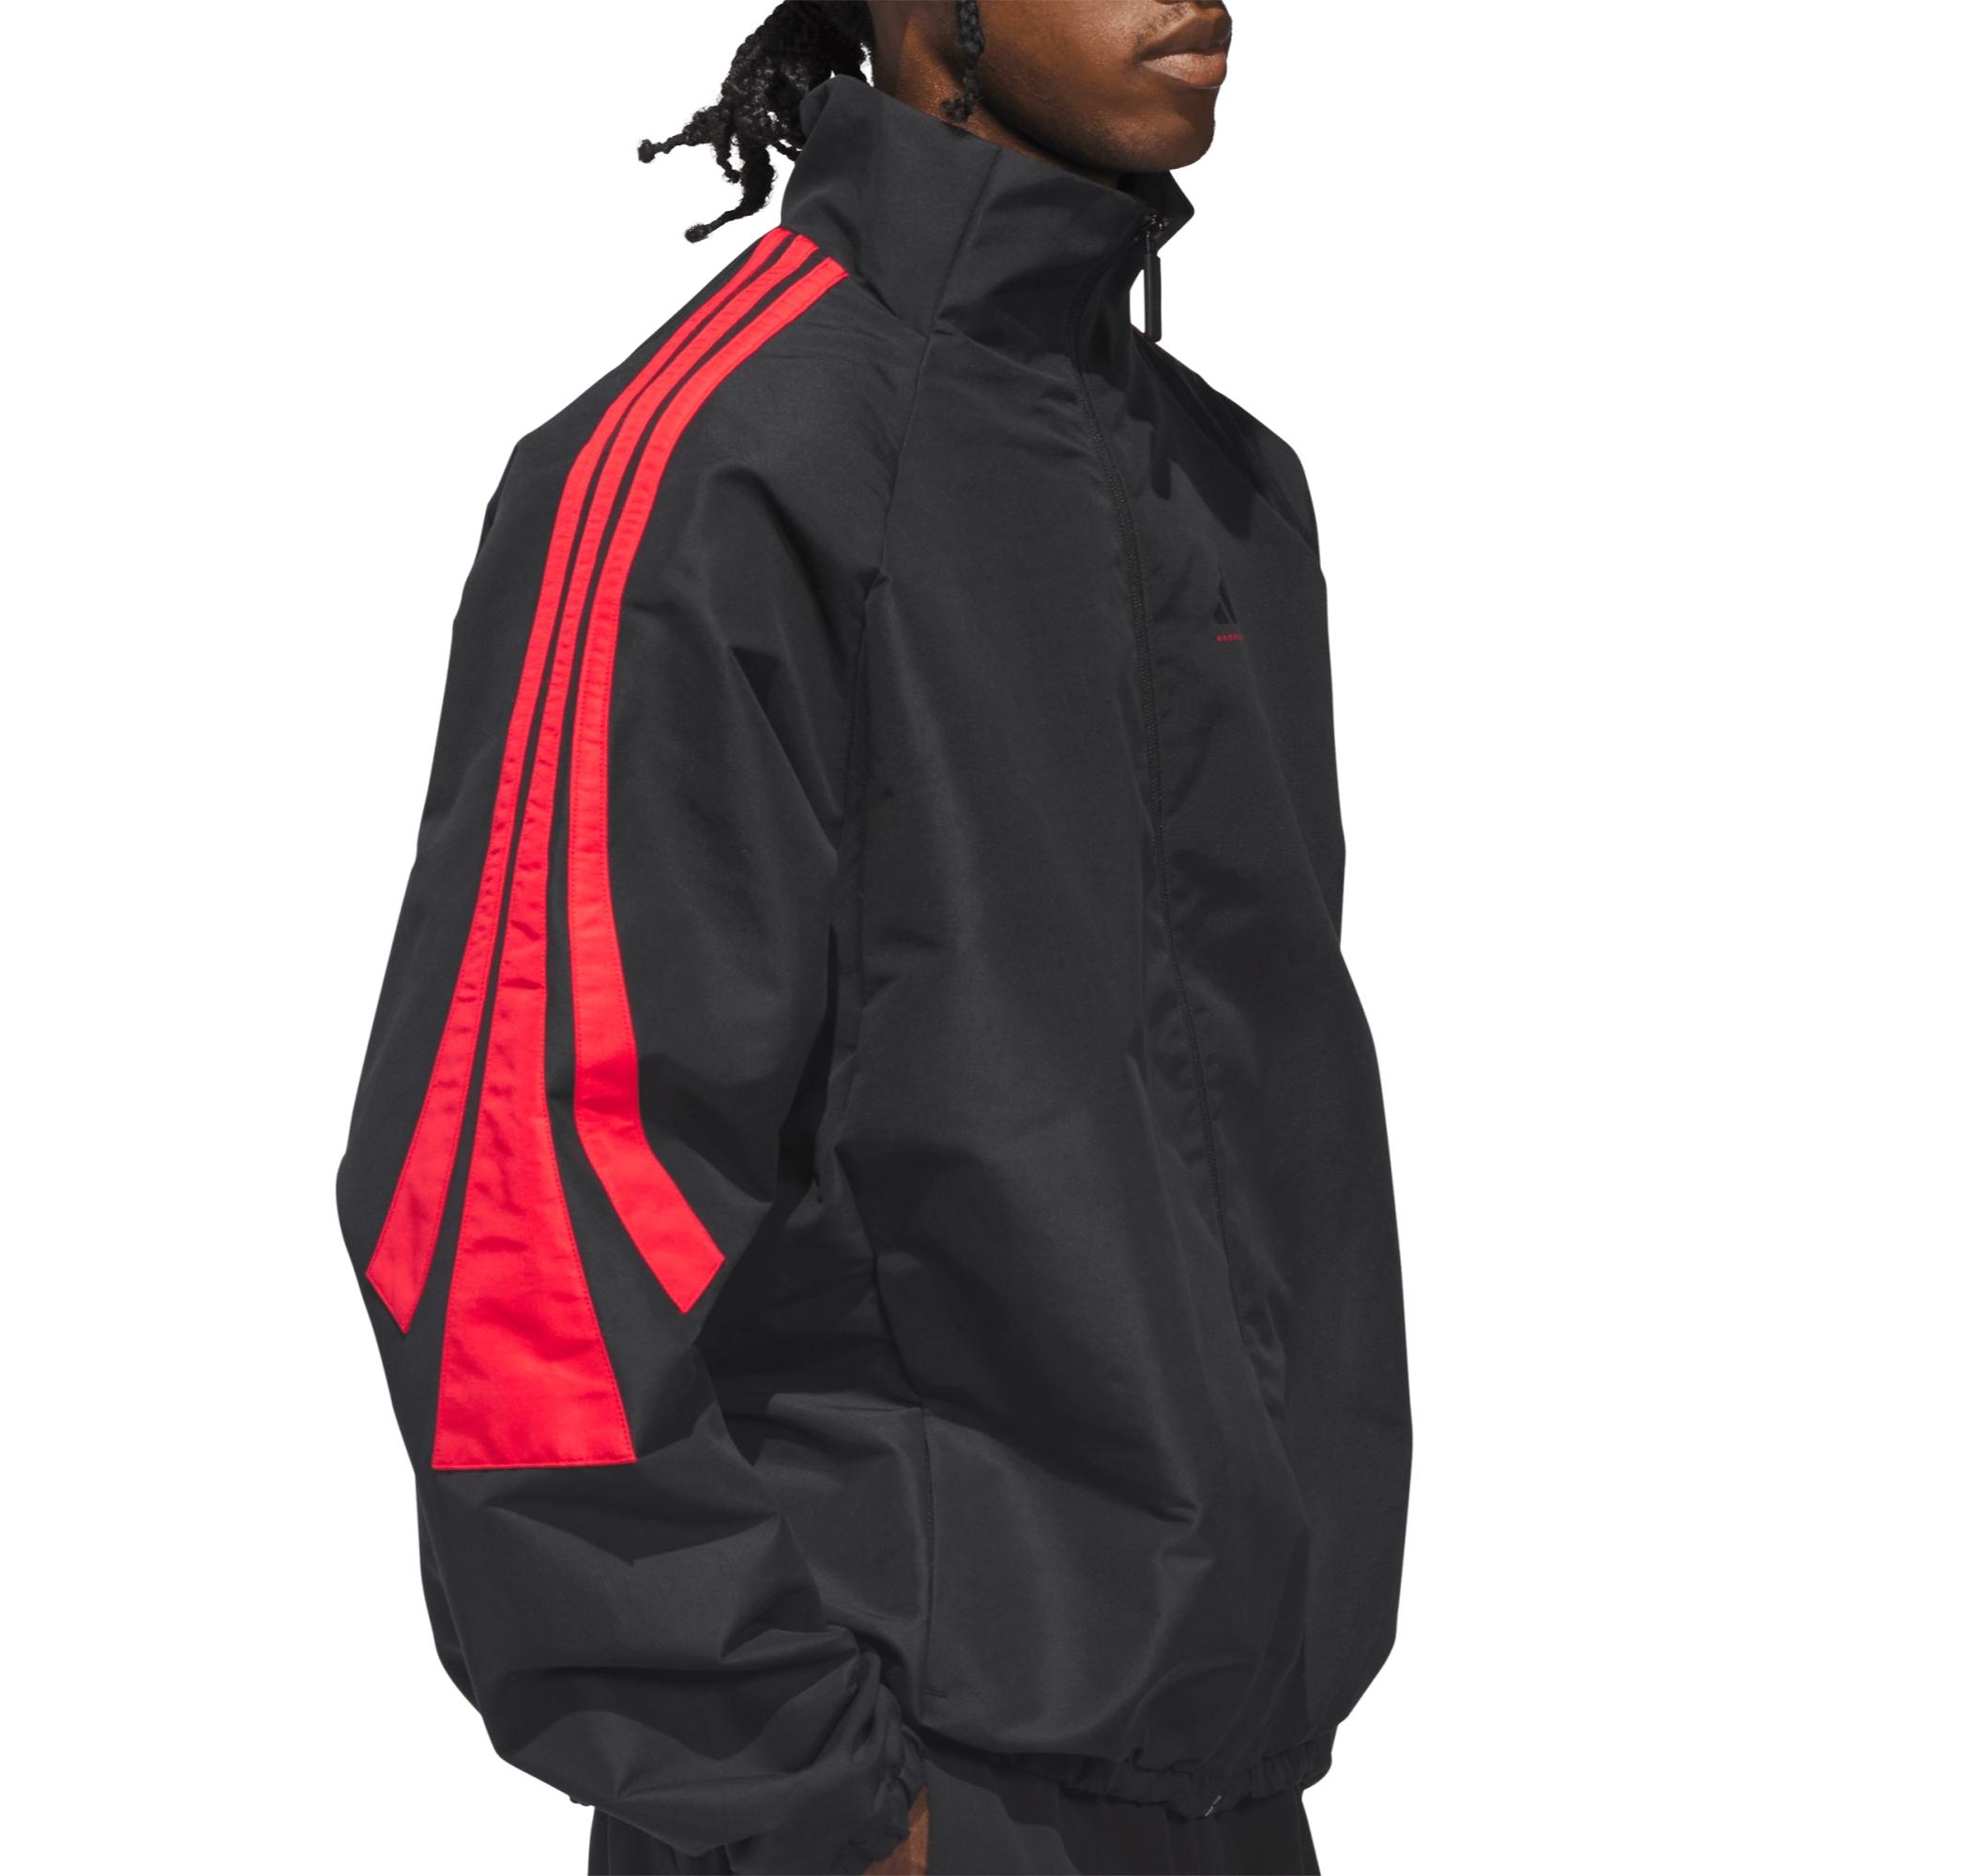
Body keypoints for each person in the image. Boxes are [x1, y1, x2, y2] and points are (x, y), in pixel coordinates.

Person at [336, 3, 1410, 1871]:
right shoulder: (708, 468)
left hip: (1227, 1785)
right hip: (885, 1794)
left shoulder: (1226, 491)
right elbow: (515, 1223)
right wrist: (792, 1788)